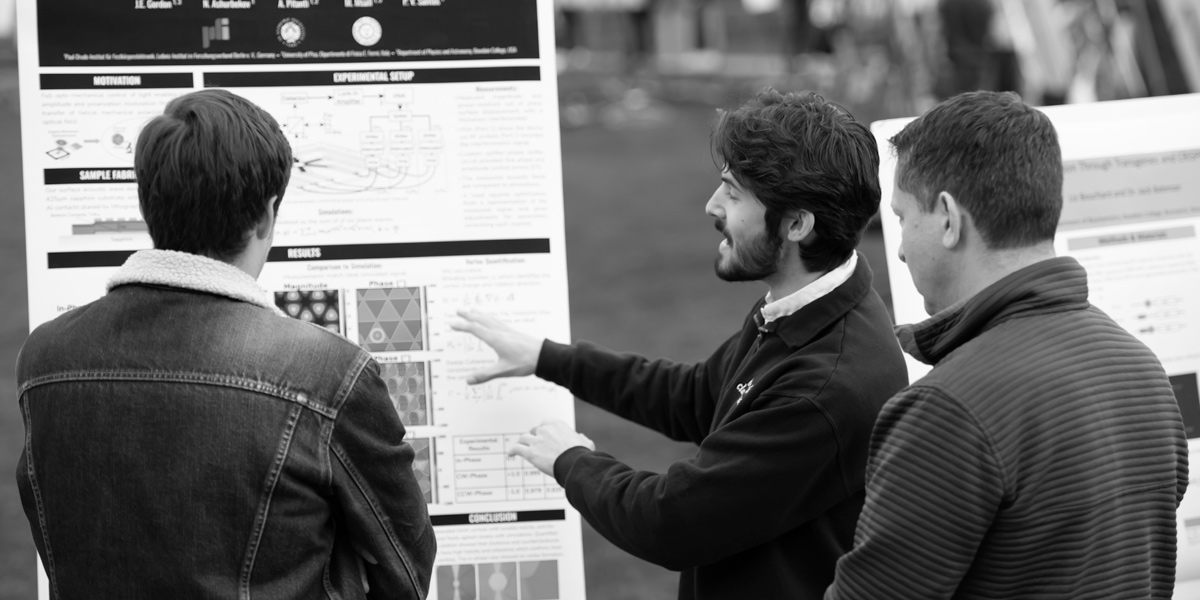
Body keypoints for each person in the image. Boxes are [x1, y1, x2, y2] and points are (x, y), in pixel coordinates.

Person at [452, 88, 909, 600]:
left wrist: (572, 460)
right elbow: (696, 396)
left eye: (734, 194)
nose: (711, 206)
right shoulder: (805, 305)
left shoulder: (824, 386)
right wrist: (547, 358)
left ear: (798, 224)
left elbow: (673, 521)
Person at [15, 89, 436, 598]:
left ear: (150, 203)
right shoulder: (328, 374)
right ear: (265, 215)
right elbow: (405, 569)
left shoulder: (45, 358)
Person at [825, 91, 1188, 599]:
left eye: (904, 218)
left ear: (949, 219)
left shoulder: (947, 409)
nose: (901, 248)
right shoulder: (1139, 368)